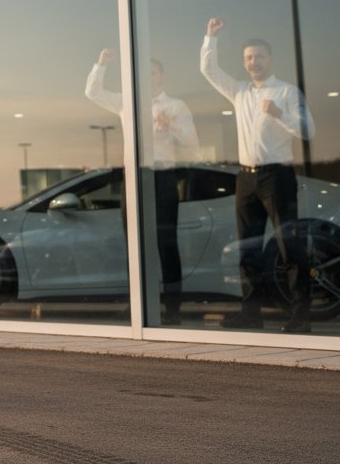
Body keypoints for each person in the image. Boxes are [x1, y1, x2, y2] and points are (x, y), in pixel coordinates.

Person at [200, 18, 315, 332]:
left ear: (270, 59)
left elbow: (308, 130)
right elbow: (209, 70)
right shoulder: (239, 92)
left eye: (259, 56)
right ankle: (252, 314)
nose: (254, 62)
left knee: (289, 247)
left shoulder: (287, 91)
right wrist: (211, 37)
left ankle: (301, 317)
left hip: (277, 176)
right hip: (246, 178)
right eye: (249, 58)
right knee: (247, 248)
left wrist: (279, 113)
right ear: (244, 63)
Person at [85, 49, 198, 324]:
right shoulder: (127, 102)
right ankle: (138, 308)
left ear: (161, 76)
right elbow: (93, 92)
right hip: (134, 179)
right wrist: (101, 64)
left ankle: (173, 311)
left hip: (163, 178)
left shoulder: (176, 106)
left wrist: (172, 125)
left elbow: (191, 143)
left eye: (153, 72)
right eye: (143, 73)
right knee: (134, 243)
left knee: (166, 243)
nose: (148, 77)